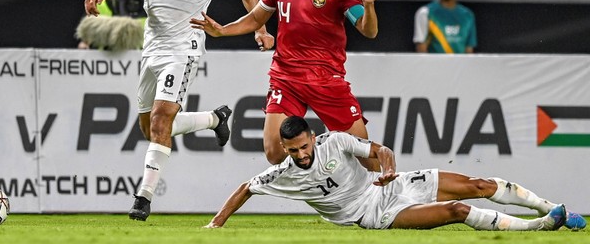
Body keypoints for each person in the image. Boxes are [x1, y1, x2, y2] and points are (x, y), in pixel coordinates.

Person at [83, 0, 274, 222]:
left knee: (160, 119)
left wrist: (261, 28)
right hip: (152, 49)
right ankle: (214, 119)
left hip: (184, 49)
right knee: (150, 128)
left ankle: (143, 198)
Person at [190, 0, 380, 168]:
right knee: (274, 152)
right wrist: (222, 31)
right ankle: (319, 158)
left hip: (325, 79)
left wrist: (368, 4)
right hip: (285, 76)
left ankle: (385, 193)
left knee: (366, 154)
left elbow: (368, 31)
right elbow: (257, 17)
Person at [205, 116, 587, 231]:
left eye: (305, 147)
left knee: (479, 185)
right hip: (374, 214)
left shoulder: (334, 141)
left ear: (313, 139)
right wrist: (217, 223)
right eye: (294, 151)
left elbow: (380, 150)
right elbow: (245, 188)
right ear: (286, 151)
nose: (302, 155)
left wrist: (389, 170)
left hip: (390, 186)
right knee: (456, 209)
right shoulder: (285, 172)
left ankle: (552, 209)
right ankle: (538, 228)